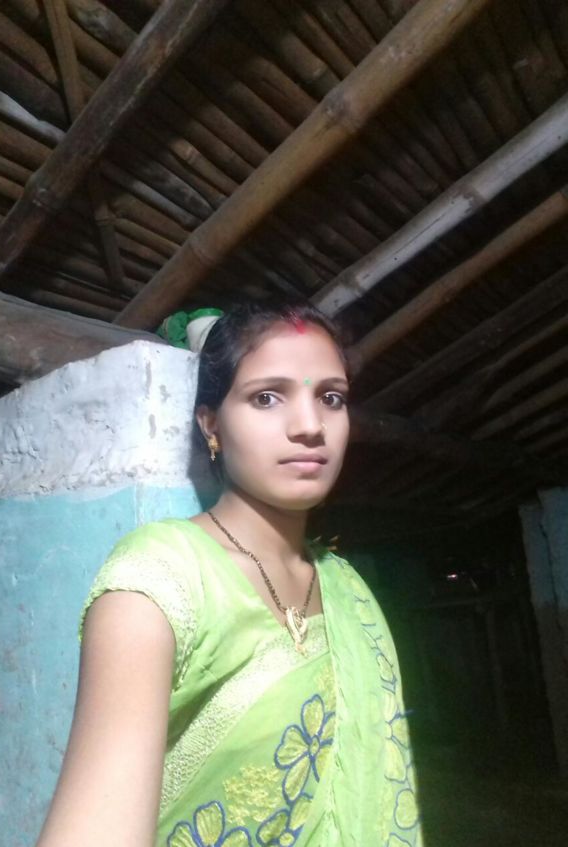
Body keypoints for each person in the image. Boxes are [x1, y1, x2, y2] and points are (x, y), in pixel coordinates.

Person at [35, 302, 422, 847]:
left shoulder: (347, 587)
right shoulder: (158, 581)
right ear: (211, 424)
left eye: (330, 398)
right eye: (267, 397)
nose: (310, 426)